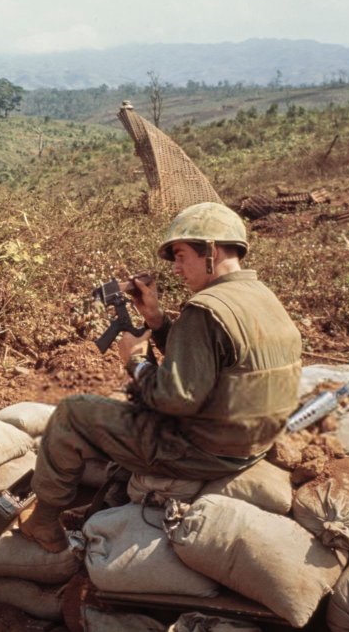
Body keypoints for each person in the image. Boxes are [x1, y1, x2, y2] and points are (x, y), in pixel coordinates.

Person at [20, 202, 303, 552]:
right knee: (131, 415)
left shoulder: (206, 309)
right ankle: (107, 503)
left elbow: (175, 398)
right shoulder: (260, 297)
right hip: (248, 442)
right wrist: (155, 320)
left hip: (202, 449)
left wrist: (136, 362)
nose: (178, 268)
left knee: (72, 413)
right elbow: (207, 364)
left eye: (182, 255)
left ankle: (44, 522)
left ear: (211, 251)